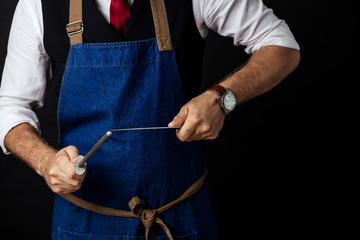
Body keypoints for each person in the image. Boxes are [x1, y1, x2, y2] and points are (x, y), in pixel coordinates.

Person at [0, 0, 300, 239]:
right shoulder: (38, 5)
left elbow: (282, 47)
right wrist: (45, 161)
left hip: (180, 218)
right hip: (83, 223)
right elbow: (11, 106)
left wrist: (222, 98)